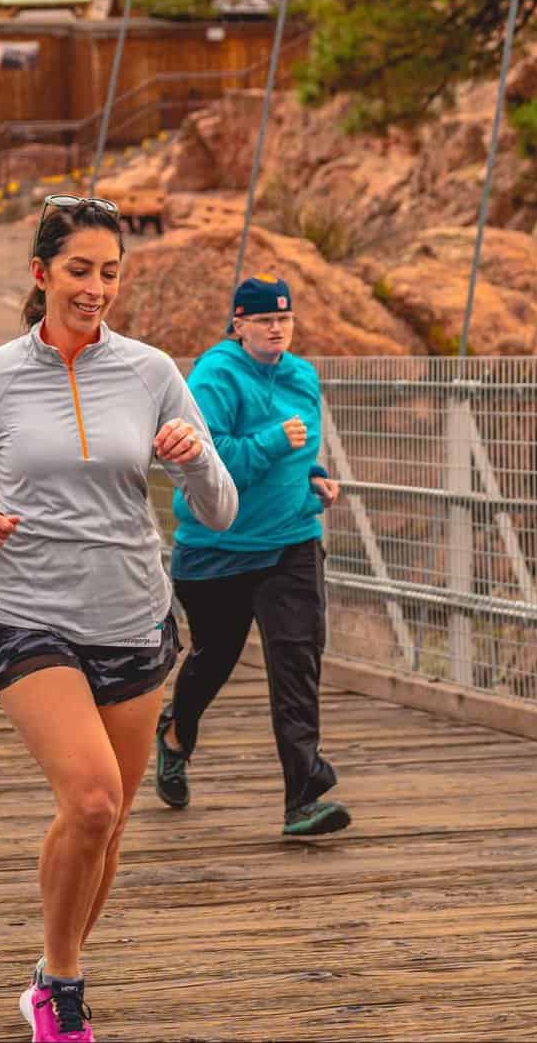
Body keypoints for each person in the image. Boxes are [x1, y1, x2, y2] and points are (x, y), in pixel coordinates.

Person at [0, 195, 235, 1043]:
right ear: (41, 274)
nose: (95, 288)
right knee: (92, 802)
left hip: (133, 617)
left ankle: (51, 969)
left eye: (108, 272)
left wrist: (195, 457)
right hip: (26, 614)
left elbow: (220, 508)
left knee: (108, 823)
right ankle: (61, 985)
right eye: (78, 270)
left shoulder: (152, 372)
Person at [156, 275, 348, 837]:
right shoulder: (215, 376)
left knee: (297, 662)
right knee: (214, 658)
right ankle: (175, 732)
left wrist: (315, 478)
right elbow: (201, 462)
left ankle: (304, 797)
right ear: (238, 324)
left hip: (290, 540)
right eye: (263, 320)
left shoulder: (303, 376)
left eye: (284, 319)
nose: (275, 329)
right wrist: (271, 443)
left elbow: (301, 451)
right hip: (219, 547)